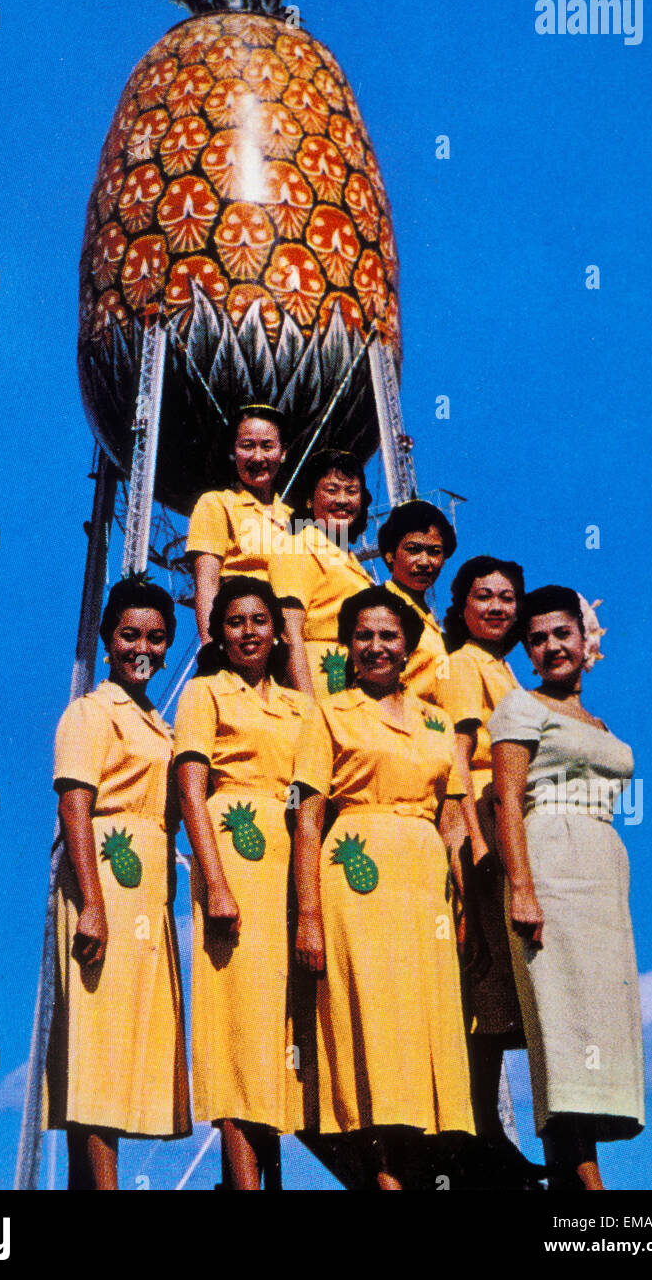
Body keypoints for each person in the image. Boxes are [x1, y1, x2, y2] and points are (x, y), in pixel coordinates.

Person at [293, 586, 475, 1189]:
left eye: (388, 636)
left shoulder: (436, 720)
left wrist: (465, 903)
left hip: (426, 890)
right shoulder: (330, 712)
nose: (375, 647)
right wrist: (310, 916)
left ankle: (417, 1174)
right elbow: (310, 816)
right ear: (347, 646)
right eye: (363, 636)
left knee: (426, 1030)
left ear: (408, 646)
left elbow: (452, 818)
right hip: (358, 883)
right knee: (370, 1024)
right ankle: (383, 1178)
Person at [489, 586, 645, 1189]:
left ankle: (572, 1186)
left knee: (599, 1025)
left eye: (562, 634)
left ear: (587, 641)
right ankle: (589, 1189)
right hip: (548, 866)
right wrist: (522, 888)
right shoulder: (520, 707)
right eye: (537, 638)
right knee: (563, 1024)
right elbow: (506, 800)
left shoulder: (598, 722)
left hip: (603, 871)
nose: (551, 646)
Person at [45, 577, 191, 1189]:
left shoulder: (158, 724)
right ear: (107, 642)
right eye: (130, 635)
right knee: (99, 1045)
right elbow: (75, 808)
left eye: (156, 638)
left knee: (131, 1047)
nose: (143, 648)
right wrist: (93, 906)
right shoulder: (89, 712)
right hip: (101, 882)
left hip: (147, 896)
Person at [173, 577, 311, 1189]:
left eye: (259, 621)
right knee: (238, 1024)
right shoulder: (205, 695)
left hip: (292, 862)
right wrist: (216, 882)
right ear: (219, 633)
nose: (249, 632)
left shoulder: (300, 706)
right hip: (233, 852)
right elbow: (191, 791)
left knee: (282, 1028)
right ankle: (243, 1182)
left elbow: (310, 795)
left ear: (277, 632)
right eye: (235, 622)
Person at [433, 557, 529, 1156]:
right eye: (483, 596)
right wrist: (477, 841)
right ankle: (482, 1130)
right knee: (487, 983)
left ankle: (490, 1129)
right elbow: (459, 757)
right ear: (461, 605)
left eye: (505, 598)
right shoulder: (466, 664)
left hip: (509, 817)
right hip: (485, 825)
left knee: (499, 991)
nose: (496, 607)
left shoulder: (504, 668)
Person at [269, 448, 375, 697]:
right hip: (321, 683)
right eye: (331, 490)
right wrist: (307, 707)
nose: (342, 500)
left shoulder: (352, 564)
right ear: (309, 499)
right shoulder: (297, 548)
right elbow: (288, 633)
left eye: (352, 491)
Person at [186, 404, 292, 644]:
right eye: (247, 446)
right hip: (244, 634)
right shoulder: (216, 503)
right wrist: (210, 649)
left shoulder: (293, 518)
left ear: (283, 452)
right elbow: (207, 583)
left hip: (292, 638)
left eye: (267, 446)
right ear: (233, 451)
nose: (257, 457)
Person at [377, 498, 457, 703]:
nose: (424, 562)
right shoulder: (380, 609)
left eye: (434, 552)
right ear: (390, 555)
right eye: (413, 550)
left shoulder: (427, 619)